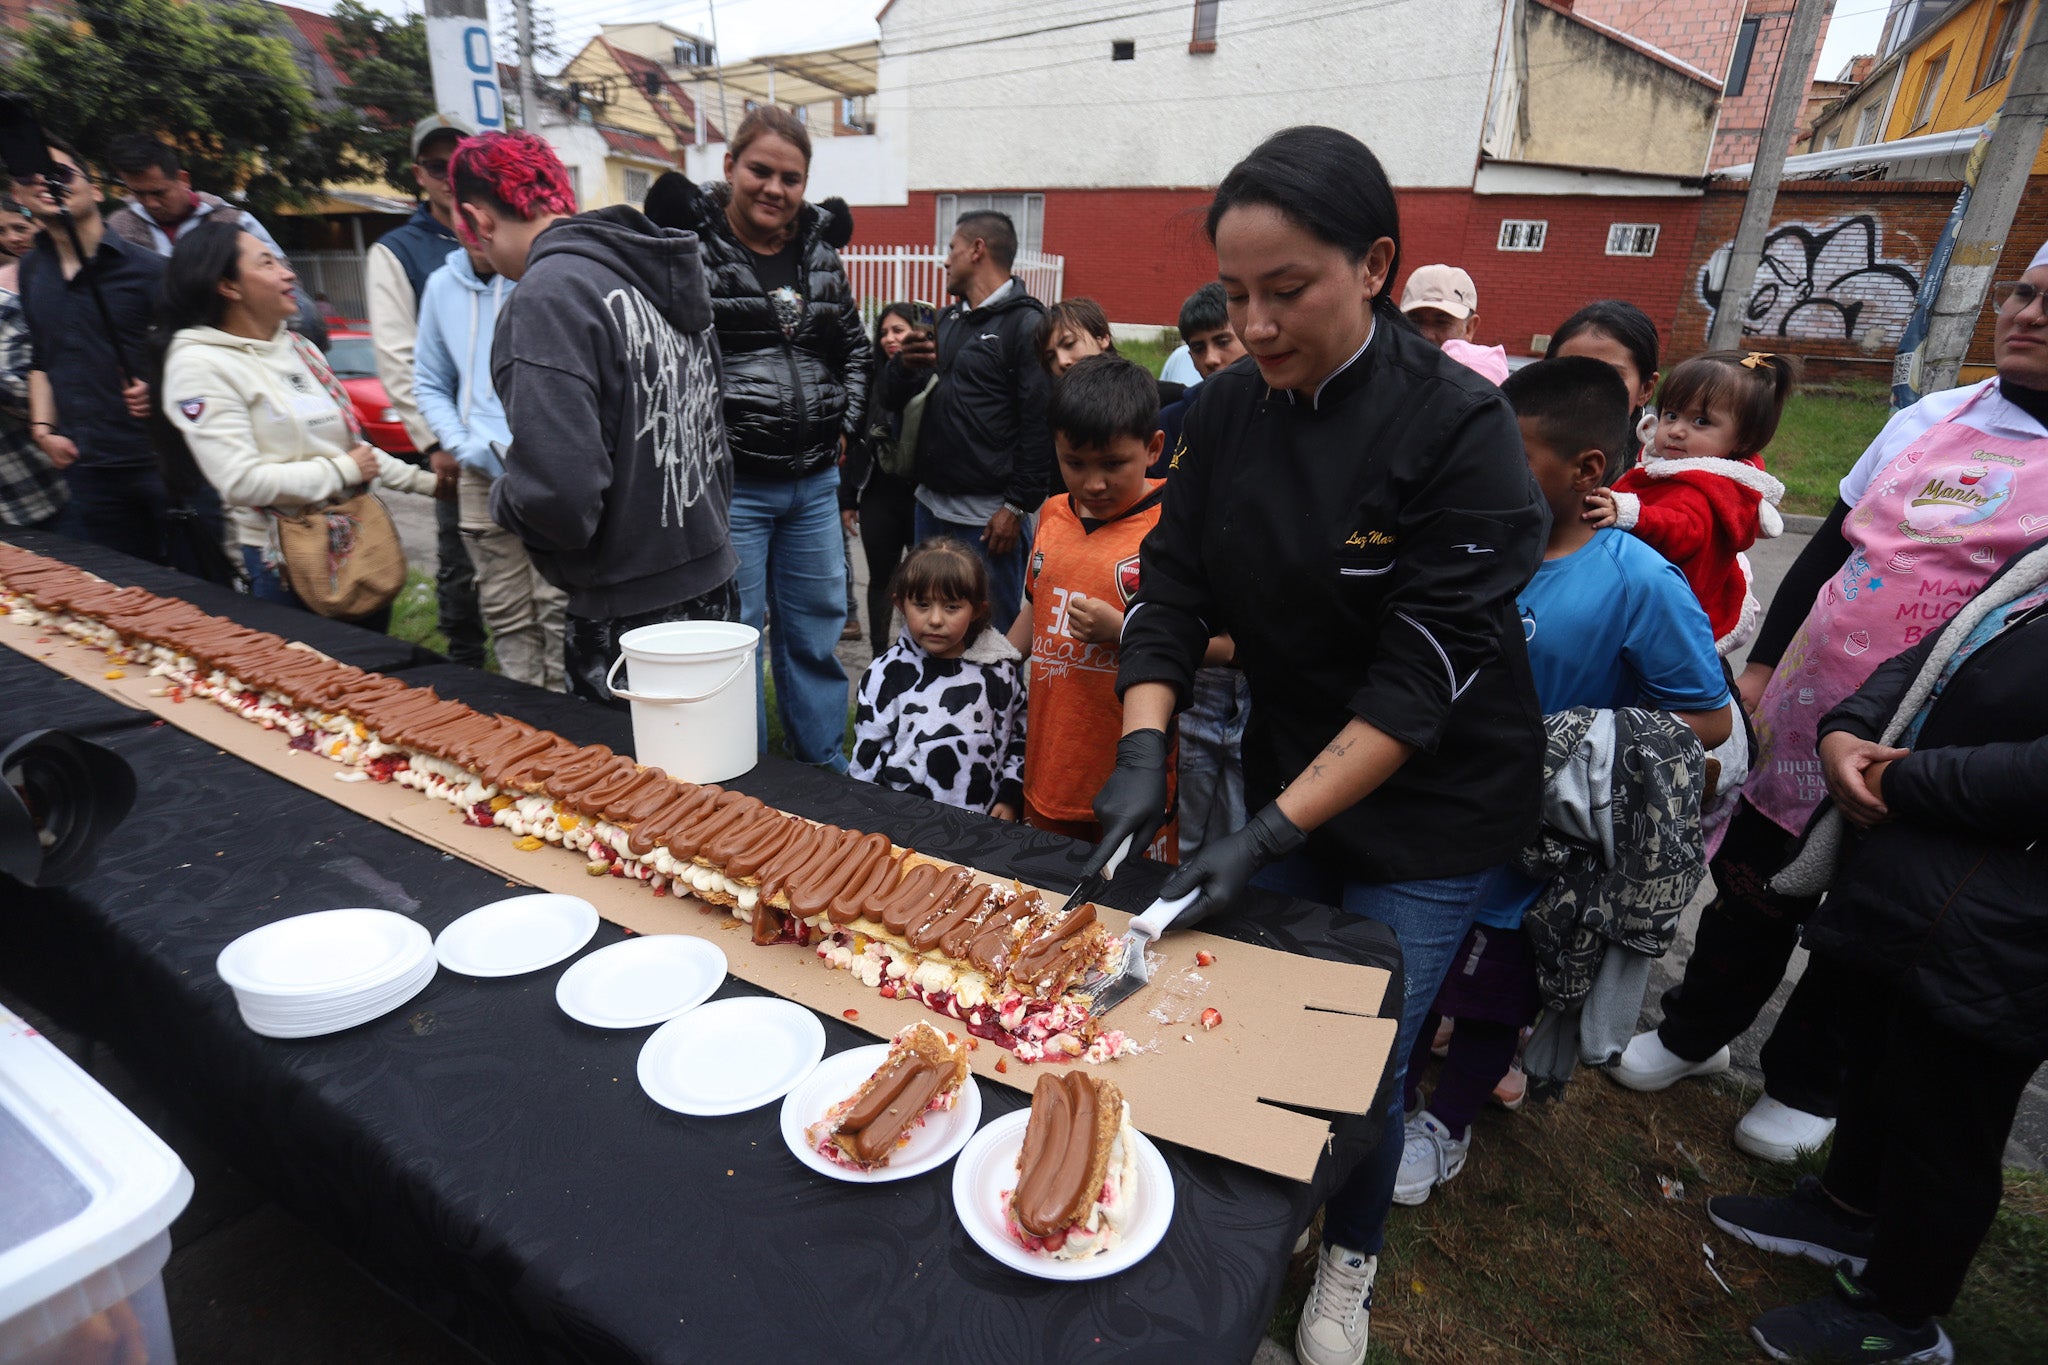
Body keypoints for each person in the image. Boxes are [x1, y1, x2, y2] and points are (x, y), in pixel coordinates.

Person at [1082, 127, 1548, 1365]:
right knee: (1262, 1011)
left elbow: (1416, 683)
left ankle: (1348, 1257)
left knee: (1360, 1056)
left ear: (1376, 265)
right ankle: (1275, 1212)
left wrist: (1271, 829)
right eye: (1235, 296)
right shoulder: (1226, 413)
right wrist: (1142, 750)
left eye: (1285, 291)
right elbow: (1169, 593)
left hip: (1433, 793)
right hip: (1292, 760)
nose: (1256, 323)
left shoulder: (1458, 429)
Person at [1613, 244, 2048, 1165]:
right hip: (1813, 702)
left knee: (1872, 911)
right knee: (1754, 882)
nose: (2027, 313)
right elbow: (1828, 551)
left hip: (1940, 738)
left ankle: (1812, 1080)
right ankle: (1696, 1032)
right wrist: (1767, 669)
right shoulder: (1933, 416)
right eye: (2025, 291)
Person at [1702, 535, 2048, 1365]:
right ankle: (1847, 1211)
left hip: (2007, 913)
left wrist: (1898, 779)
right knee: (1881, 1053)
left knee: (1949, 1113)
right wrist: (1845, 730)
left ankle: (1901, 1315)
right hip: (1921, 871)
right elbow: (1941, 646)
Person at [1394, 357, 1730, 1207]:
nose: (1488, 476)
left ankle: (1448, 1125)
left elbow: (1709, 719)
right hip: (1432, 825)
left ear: (1586, 469)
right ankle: (1387, 1106)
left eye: (1513, 459)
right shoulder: (1468, 546)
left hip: (1534, 857)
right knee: (1412, 979)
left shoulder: (1639, 581)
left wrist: (1574, 741)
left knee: (1490, 998)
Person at [450, 131, 736, 708]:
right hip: (713, 582)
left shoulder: (546, 297)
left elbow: (561, 496)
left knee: (621, 794)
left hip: (626, 613)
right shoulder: (657, 269)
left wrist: (503, 496)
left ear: (478, 220)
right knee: (711, 785)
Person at [635, 109, 870, 771]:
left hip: (815, 484)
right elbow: (667, 357)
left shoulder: (820, 249)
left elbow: (851, 347)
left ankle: (823, 765)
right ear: (731, 165)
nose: (775, 188)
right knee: (736, 636)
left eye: (791, 178)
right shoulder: (690, 247)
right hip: (732, 485)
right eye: (760, 170)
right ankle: (748, 770)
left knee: (816, 633)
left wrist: (842, 422)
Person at [160, 221, 439, 628]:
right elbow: (240, 481)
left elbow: (354, 451)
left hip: (359, 540)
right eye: (267, 263)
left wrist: (432, 486)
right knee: (312, 678)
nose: (288, 273)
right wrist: (343, 471)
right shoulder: (199, 365)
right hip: (287, 562)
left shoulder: (300, 348)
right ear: (228, 286)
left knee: (378, 674)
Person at [1005, 353, 1197, 859]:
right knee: (1044, 908)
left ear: (1153, 448)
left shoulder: (1175, 526)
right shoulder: (1050, 514)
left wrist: (1128, 627)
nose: (1093, 483)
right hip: (1049, 773)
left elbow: (1224, 646)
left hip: (1133, 779)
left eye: (1113, 464)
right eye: (1075, 463)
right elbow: (1034, 608)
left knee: (1127, 912)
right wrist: (995, 665)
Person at [881, 209, 1053, 633]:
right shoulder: (944, 321)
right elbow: (891, 399)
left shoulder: (1026, 323)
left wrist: (1016, 506)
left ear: (977, 251)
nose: (945, 260)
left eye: (952, 249)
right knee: (928, 630)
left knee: (987, 636)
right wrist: (903, 368)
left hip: (988, 518)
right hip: (930, 508)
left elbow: (1040, 422)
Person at [413, 239, 567, 690]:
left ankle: (568, 714)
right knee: (503, 603)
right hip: (480, 470)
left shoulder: (543, 277)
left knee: (557, 600)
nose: (478, 230)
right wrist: (460, 444)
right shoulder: (442, 285)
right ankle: (525, 707)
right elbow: (429, 379)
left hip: (550, 466)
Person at [367, 112, 485, 667]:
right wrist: (434, 442)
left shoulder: (498, 227)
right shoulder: (398, 251)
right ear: (420, 174)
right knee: (461, 561)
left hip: (509, 433)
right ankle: (464, 663)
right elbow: (398, 355)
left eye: (459, 163)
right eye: (437, 166)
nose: (449, 176)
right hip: (453, 438)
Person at [14, 140, 168, 562]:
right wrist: (42, 429)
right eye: (30, 178)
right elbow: (41, 356)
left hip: (162, 463)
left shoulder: (151, 271)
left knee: (206, 593)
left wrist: (160, 389)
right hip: (88, 469)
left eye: (60, 174)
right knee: (124, 594)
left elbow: (199, 359)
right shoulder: (31, 270)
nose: (46, 184)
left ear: (96, 189)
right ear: (17, 196)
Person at [1585, 350, 1792, 656]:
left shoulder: (1705, 489)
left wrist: (1632, 513)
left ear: (1743, 440)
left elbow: (1685, 530)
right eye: (1671, 414)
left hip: (1666, 616)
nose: (1677, 430)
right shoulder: (1676, 470)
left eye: (1701, 421)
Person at [848, 536, 1026, 818]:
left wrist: (1010, 795)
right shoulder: (886, 675)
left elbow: (1018, 737)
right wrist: (862, 815)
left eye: (951, 607)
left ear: (977, 609)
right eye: (922, 604)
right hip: (901, 818)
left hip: (980, 818)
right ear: (900, 605)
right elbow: (867, 755)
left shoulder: (998, 671)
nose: (935, 620)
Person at [841, 302, 927, 656]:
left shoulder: (934, 374)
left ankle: (920, 654)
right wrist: (847, 499)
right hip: (879, 494)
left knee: (925, 582)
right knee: (881, 580)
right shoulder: (872, 378)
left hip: (924, 496)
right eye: (886, 332)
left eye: (900, 330)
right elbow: (856, 439)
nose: (891, 338)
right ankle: (880, 658)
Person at [102, 135, 286, 258]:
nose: (151, 203)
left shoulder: (233, 221)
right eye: (138, 193)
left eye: (159, 193)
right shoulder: (118, 228)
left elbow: (284, 278)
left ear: (183, 179)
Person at [0, 183, 65, 531]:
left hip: (35, 489)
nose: (11, 238)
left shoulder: (9, 306)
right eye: (1, 231)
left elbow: (38, 391)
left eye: (19, 227)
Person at [1545, 299, 1661, 471]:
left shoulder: (1661, 471)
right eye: (1568, 374)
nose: (1585, 392)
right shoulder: (1512, 445)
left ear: (1645, 390)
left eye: (1610, 376)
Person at [1158, 282, 1244, 461]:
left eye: (1222, 342)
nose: (1210, 359)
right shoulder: (1173, 421)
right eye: (1199, 348)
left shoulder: (1283, 405)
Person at [1399, 264, 1507, 384]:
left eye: (1441, 323)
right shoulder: (1382, 374)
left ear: (1469, 328)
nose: (1427, 334)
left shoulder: (1482, 382)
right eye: (1416, 322)